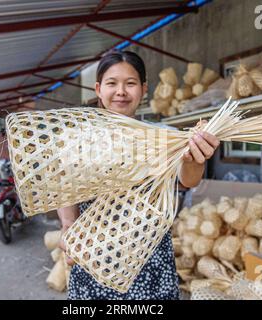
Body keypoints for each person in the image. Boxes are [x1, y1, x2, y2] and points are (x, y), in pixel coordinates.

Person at [57, 50, 220, 300]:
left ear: (143, 89)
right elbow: (64, 186)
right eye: (112, 83)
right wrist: (68, 224)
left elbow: (189, 180)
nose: (121, 91)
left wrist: (195, 158)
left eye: (130, 83)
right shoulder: (80, 139)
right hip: (95, 253)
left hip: (150, 257)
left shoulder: (163, 136)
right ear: (99, 89)